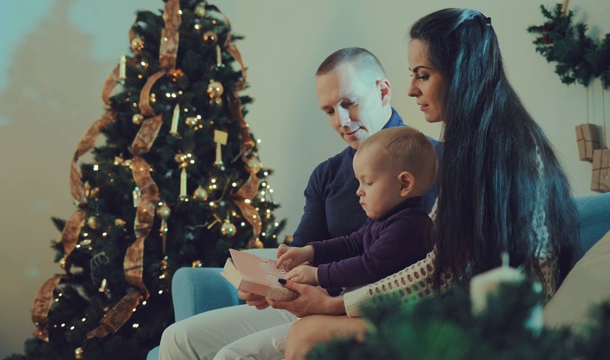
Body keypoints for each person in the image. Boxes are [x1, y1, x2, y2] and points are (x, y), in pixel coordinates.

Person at [279, 8, 581, 360]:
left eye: (423, 75)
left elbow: (439, 273)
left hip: (498, 324)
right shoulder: (483, 141)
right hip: (473, 307)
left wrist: (337, 304)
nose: (411, 89)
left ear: (460, 73)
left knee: (307, 334)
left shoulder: (494, 152)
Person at [158, 47, 441, 360]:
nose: (341, 121)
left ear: (383, 91)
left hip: (361, 308)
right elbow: (309, 247)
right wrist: (271, 284)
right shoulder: (327, 174)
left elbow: (421, 269)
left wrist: (324, 292)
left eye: (349, 103)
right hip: (314, 297)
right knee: (178, 338)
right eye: (329, 111)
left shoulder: (433, 164)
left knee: (233, 355)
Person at [277, 127, 437, 289]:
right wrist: (310, 251)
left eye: (367, 182)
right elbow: (351, 244)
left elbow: (369, 266)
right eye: (358, 182)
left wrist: (318, 274)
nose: (359, 191)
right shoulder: (384, 219)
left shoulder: (410, 226)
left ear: (404, 184)